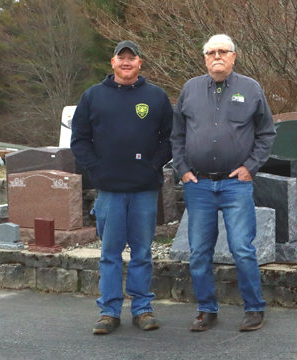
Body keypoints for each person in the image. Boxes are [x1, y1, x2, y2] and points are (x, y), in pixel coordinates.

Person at [171, 34, 275, 332]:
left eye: (223, 52)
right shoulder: (190, 89)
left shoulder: (251, 89)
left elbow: (266, 134)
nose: (217, 56)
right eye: (211, 52)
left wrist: (250, 167)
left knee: (242, 249)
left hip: (236, 185)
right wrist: (182, 169)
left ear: (233, 56)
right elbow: (177, 135)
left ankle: (254, 308)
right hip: (199, 185)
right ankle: (206, 309)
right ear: (204, 58)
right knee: (199, 253)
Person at [71, 40, 173, 335]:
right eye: (121, 58)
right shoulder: (92, 96)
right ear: (112, 62)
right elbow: (79, 140)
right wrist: (97, 169)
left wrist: (153, 166)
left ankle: (142, 309)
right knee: (110, 253)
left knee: (142, 252)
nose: (126, 62)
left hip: (144, 189)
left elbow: (170, 138)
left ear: (140, 63)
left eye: (132, 58)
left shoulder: (156, 96)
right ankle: (109, 312)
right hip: (110, 190)